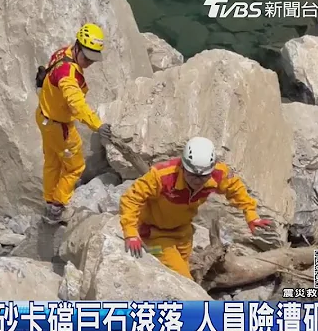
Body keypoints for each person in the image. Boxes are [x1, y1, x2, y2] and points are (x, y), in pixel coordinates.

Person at [118, 136, 273, 280]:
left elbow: (236, 188)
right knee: (183, 278)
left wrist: (251, 215)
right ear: (183, 167)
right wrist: (130, 233)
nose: (198, 181)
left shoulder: (219, 174)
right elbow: (131, 198)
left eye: (203, 176)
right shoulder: (162, 176)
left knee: (185, 265)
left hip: (183, 232)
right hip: (154, 234)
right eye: (192, 175)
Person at [35, 23, 112, 224]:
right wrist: (98, 125)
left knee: (52, 162)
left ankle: (49, 200)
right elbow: (77, 104)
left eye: (92, 59)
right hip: (60, 127)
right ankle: (57, 207)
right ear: (78, 47)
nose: (88, 63)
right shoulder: (68, 77)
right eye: (86, 58)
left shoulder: (63, 53)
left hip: (44, 117)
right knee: (75, 167)